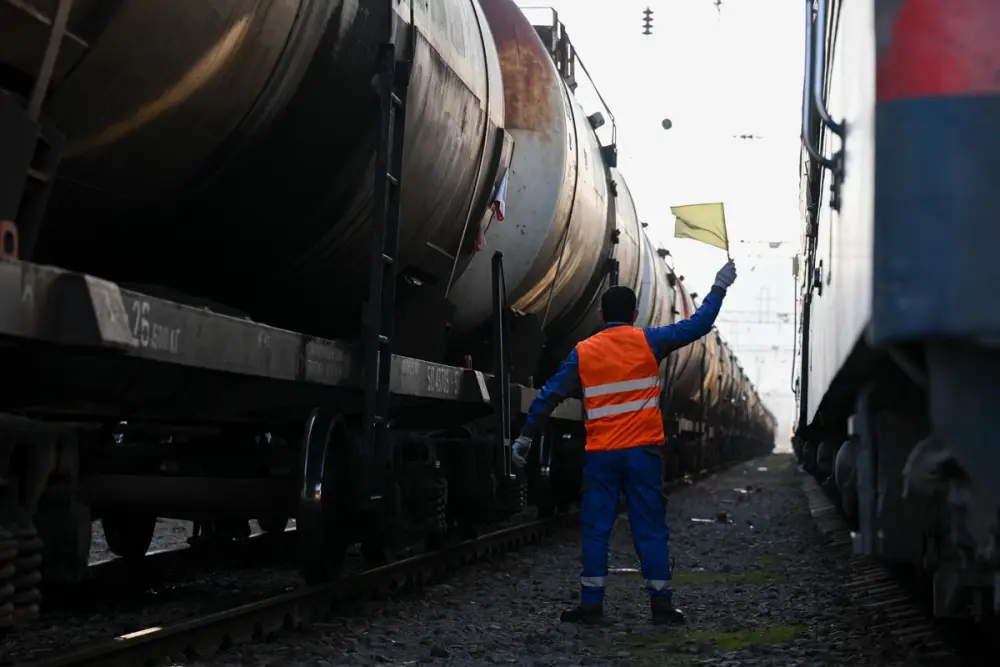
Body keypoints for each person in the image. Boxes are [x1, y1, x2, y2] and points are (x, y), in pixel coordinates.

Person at [510, 259, 737, 626]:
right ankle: (661, 605)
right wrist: (718, 287)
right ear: (634, 314)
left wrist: (525, 435)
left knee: (597, 526)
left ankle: (591, 606)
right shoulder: (649, 341)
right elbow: (698, 325)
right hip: (643, 454)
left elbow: (549, 394)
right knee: (648, 526)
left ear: (600, 314)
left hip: (601, 456)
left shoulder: (584, 351)